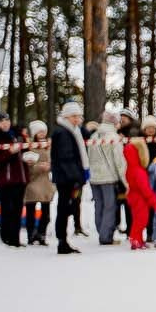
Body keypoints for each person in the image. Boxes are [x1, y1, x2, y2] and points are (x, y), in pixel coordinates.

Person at [49, 101, 88, 255]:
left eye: (79, 116)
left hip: (68, 177)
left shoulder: (73, 130)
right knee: (64, 208)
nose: (77, 119)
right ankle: (62, 241)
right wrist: (76, 178)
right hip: (66, 178)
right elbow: (67, 158)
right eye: (74, 116)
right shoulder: (64, 132)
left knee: (66, 208)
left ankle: (63, 240)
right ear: (67, 116)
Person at [0, 111, 30, 247]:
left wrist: (27, 154)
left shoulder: (17, 135)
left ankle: (15, 239)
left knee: (18, 209)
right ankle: (5, 236)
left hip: (21, 178)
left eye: (7, 120)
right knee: (7, 209)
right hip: (6, 180)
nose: (5, 123)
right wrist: (9, 152)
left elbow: (25, 152)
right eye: (2, 121)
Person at [87, 119, 128, 244]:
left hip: (94, 177)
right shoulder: (114, 137)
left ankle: (101, 232)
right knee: (109, 207)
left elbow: (89, 156)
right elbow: (119, 161)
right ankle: (106, 237)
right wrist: (125, 180)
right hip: (108, 178)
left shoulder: (94, 136)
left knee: (98, 205)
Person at [120, 121, 156, 251]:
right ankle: (135, 239)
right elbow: (145, 188)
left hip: (134, 197)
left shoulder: (131, 168)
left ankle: (138, 239)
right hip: (139, 198)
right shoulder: (138, 171)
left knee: (138, 219)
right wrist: (153, 201)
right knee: (141, 220)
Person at [22, 119, 56, 245]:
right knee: (30, 210)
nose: (42, 134)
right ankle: (31, 235)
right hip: (33, 181)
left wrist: (50, 166)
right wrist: (37, 167)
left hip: (45, 182)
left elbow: (54, 160)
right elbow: (27, 165)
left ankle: (42, 234)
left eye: (43, 132)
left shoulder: (48, 146)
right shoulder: (29, 145)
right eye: (39, 132)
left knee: (46, 212)